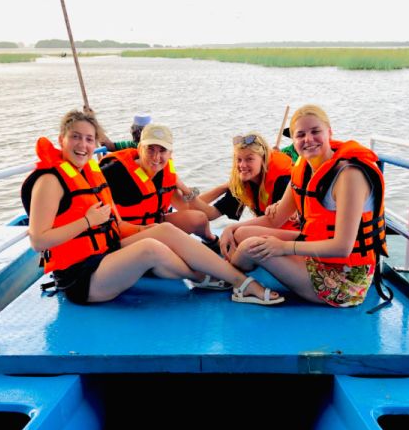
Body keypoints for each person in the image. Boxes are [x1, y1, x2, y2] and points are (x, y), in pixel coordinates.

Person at [20, 109, 283, 306]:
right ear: (61, 139)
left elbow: (116, 226)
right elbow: (39, 241)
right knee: (151, 247)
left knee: (163, 232)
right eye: (75, 137)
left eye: (89, 139)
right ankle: (206, 276)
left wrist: (151, 228)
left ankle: (240, 283)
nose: (83, 145)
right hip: (81, 277)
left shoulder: (90, 174)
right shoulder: (50, 181)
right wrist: (87, 222)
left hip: (106, 252)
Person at [221, 105, 391, 308]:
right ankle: (231, 271)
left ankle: (227, 277)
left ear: (329, 132)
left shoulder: (349, 176)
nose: (308, 139)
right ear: (293, 141)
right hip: (315, 250)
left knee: (251, 246)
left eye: (315, 131)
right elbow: (275, 219)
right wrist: (231, 228)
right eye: (300, 135)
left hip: (345, 279)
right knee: (244, 232)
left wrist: (283, 248)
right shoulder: (304, 167)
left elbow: (342, 247)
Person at [100, 123, 221, 252]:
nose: (156, 157)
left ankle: (212, 242)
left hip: (155, 224)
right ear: (140, 148)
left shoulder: (166, 171)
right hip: (125, 235)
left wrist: (184, 188)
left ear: (170, 153)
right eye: (150, 149)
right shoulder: (114, 172)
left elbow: (184, 207)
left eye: (162, 150)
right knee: (171, 240)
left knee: (199, 218)